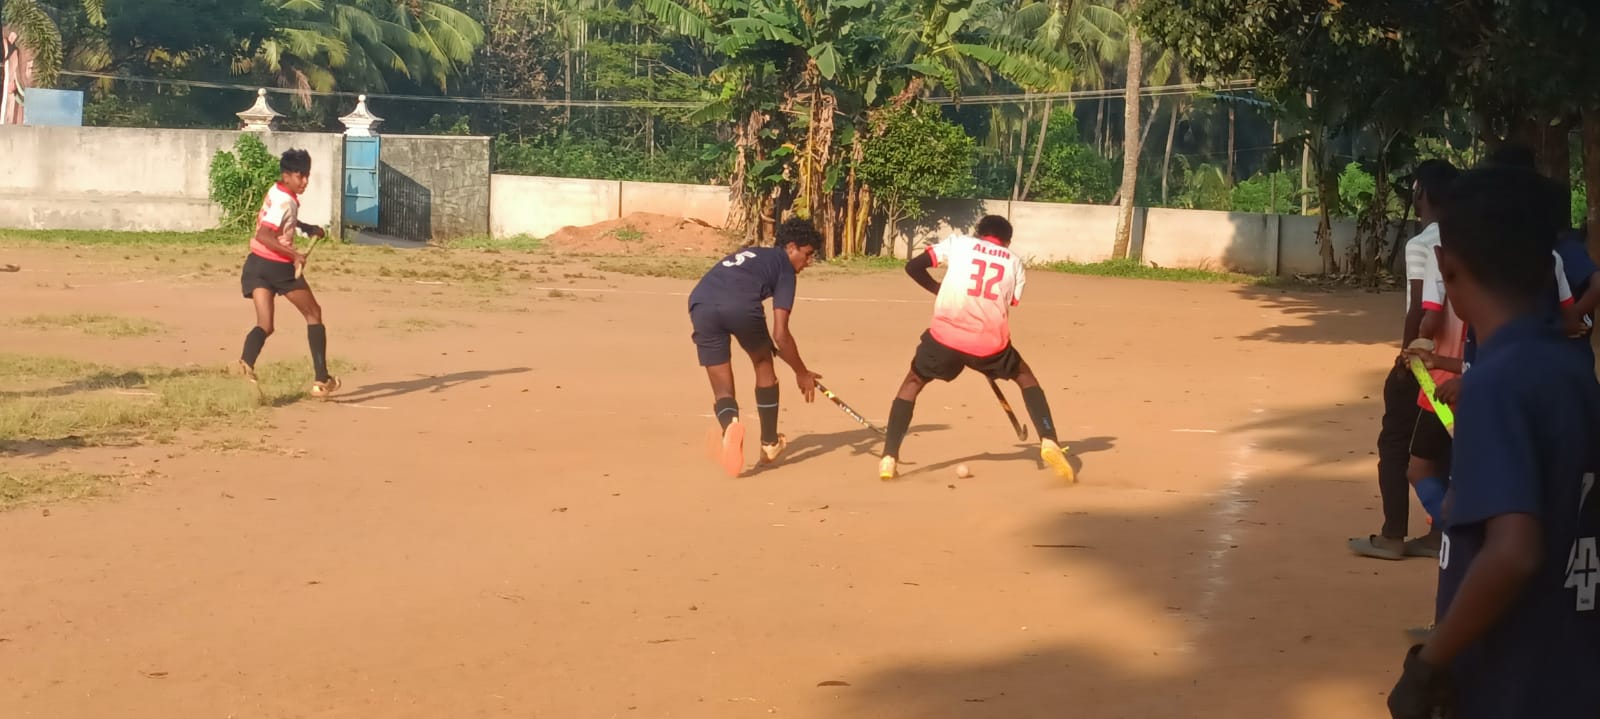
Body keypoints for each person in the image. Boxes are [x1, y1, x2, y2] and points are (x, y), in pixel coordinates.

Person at [1387, 165, 1600, 719]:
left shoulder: (1495, 384)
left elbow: (1513, 551)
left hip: (1511, 683)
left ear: (1446, 265)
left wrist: (1429, 664)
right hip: (1572, 670)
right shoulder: (1573, 371)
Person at [877, 215, 1072, 482]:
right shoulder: (1014, 261)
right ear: (1007, 241)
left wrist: (938, 289)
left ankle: (889, 457)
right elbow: (1010, 301)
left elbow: (913, 267)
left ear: (978, 233)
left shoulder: (959, 243)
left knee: (912, 383)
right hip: (989, 343)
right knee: (1024, 377)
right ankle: (1049, 440)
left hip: (945, 337)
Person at [1350, 159, 1458, 561]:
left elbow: (1419, 308)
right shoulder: (1474, 236)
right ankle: (1438, 533)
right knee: (1441, 445)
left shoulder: (1424, 243)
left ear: (1421, 193)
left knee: (1395, 443)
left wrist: (1404, 356)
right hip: (1456, 363)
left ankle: (1393, 533)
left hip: (1426, 362)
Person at [687, 217, 823, 477]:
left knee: (722, 388)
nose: (808, 262)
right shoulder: (785, 268)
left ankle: (730, 426)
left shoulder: (754, 254)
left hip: (701, 303)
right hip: (740, 305)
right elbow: (781, 335)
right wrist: (801, 372)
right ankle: (769, 443)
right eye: (807, 255)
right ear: (791, 247)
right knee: (763, 363)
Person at [236, 149, 339, 398]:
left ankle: (245, 364)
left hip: (256, 265)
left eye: (306, 175)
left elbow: (282, 221)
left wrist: (306, 227)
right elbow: (264, 234)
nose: (304, 181)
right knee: (313, 313)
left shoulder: (277, 191)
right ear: (286, 176)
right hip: (278, 267)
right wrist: (294, 255)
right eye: (299, 176)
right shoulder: (286, 201)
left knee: (265, 325)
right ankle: (321, 380)